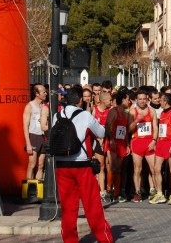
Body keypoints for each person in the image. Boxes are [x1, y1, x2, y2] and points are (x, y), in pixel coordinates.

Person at [53, 89, 113, 243]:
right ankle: (104, 238)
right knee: (92, 205)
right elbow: (101, 132)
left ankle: (69, 240)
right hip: (81, 165)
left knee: (68, 208)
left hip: (61, 165)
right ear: (81, 100)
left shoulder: (57, 115)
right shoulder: (85, 115)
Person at [151, 93, 171, 205]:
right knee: (156, 169)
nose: (159, 101)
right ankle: (160, 194)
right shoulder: (163, 113)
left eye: (161, 100)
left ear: (166, 101)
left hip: (170, 143)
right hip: (161, 143)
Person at [128, 90, 158, 203]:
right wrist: (137, 120)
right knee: (137, 169)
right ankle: (137, 192)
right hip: (137, 143)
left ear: (147, 99)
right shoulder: (132, 111)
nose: (142, 101)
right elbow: (129, 129)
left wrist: (154, 141)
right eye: (140, 99)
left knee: (154, 169)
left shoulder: (152, 111)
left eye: (144, 99)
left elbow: (155, 128)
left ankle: (154, 191)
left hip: (149, 142)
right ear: (137, 99)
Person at [104, 89, 131, 203]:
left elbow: (124, 131)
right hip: (113, 143)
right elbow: (107, 125)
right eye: (128, 99)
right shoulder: (113, 111)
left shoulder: (126, 114)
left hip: (121, 143)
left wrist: (128, 144)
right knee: (113, 167)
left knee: (119, 169)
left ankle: (117, 192)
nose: (129, 101)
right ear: (123, 99)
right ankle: (109, 189)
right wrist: (111, 140)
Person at [23, 84, 47, 180]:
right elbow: (25, 126)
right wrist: (28, 144)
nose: (46, 93)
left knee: (41, 165)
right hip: (34, 136)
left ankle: (39, 189)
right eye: (43, 92)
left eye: (45, 91)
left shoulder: (45, 106)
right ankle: (29, 188)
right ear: (37, 94)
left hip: (43, 136)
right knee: (32, 164)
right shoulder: (30, 106)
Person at [93, 90, 112, 204]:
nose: (111, 102)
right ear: (104, 101)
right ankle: (101, 191)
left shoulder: (110, 111)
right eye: (110, 100)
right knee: (100, 166)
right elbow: (91, 126)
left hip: (108, 141)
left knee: (109, 166)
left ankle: (108, 188)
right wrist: (98, 139)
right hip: (98, 141)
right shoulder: (95, 110)